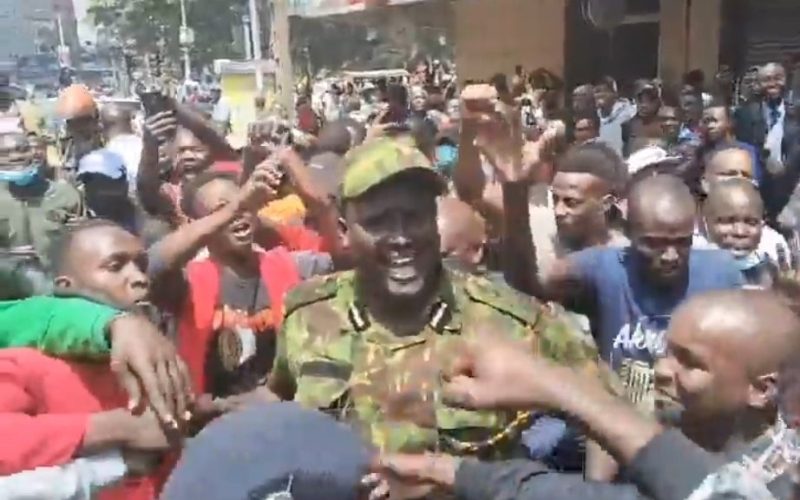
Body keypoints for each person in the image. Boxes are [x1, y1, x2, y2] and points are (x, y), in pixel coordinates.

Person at [269, 137, 614, 469]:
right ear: (344, 231)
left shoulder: (509, 321)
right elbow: (278, 402)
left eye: (415, 216)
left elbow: (614, 409)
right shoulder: (308, 314)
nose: (401, 237)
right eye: (378, 222)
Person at [368, 289, 799, 500]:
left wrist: (558, 389)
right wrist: (441, 469)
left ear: (761, 390)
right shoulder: (675, 432)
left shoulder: (783, 482)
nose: (663, 371)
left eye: (691, 363)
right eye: (667, 353)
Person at [521, 174, 743, 411]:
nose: (671, 256)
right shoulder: (605, 268)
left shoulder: (721, 274)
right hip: (623, 418)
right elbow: (530, 286)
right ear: (629, 233)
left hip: (698, 421)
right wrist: (514, 193)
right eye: (654, 244)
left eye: (682, 242)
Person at [146, 162, 331, 406]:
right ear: (200, 225)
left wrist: (313, 198)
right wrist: (236, 205)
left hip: (285, 419)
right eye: (221, 210)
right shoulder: (187, 284)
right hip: (213, 425)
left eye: (247, 205)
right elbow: (153, 264)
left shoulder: (295, 267)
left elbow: (346, 255)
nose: (240, 213)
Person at [0, 132, 82, 270]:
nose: (15, 157)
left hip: (56, 284)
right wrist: (6, 256)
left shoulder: (65, 195)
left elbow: (83, 245)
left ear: (34, 152)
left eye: (22, 150)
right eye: (4, 153)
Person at [702, 179, 776, 287]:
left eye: (751, 222)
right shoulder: (690, 274)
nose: (740, 232)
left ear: (762, 226)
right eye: (728, 221)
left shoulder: (771, 273)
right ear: (705, 224)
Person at [594, 76, 636, 156]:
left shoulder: (629, 113)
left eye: (604, 91)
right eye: (596, 92)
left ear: (614, 94)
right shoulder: (594, 117)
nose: (599, 95)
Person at [623, 81, 663, 157]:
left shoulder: (666, 126)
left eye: (650, 100)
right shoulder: (627, 126)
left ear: (658, 102)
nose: (644, 105)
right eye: (640, 100)